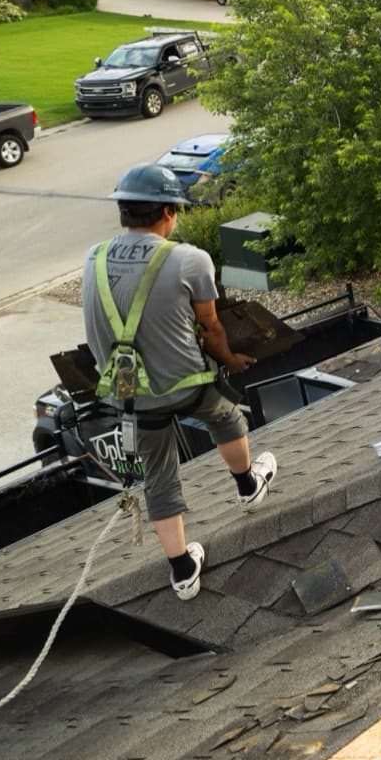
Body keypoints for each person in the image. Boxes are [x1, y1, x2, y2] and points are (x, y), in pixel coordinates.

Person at [81, 164, 275, 602]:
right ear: (168, 212)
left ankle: (182, 572)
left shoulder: (91, 257)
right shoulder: (189, 259)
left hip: (129, 392)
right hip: (185, 382)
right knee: (223, 413)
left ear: (123, 213)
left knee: (158, 474)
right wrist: (231, 361)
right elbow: (211, 328)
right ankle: (248, 486)